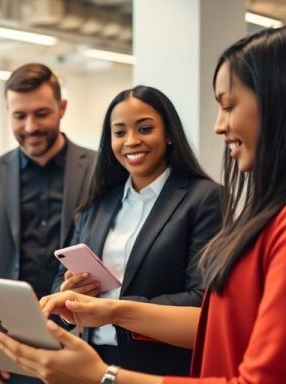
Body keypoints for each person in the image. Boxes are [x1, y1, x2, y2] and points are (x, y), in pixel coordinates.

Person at [0, 24, 286, 383]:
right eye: (119, 132)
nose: (219, 126)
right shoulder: (284, 210)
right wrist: (107, 309)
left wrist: (104, 376)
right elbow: (212, 321)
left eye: (228, 106)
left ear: (285, 105)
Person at [52, 85, 221, 375]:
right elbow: (59, 281)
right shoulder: (97, 203)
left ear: (169, 134)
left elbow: (203, 297)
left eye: (144, 128)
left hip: (163, 365)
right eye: (119, 132)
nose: (131, 141)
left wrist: (112, 308)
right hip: (93, 361)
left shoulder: (204, 198)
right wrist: (69, 294)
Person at [0, 63, 97, 384]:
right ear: (8, 110)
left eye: (41, 113)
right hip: (9, 344)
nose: (30, 126)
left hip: (82, 341)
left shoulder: (99, 169)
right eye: (19, 116)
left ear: (62, 108)